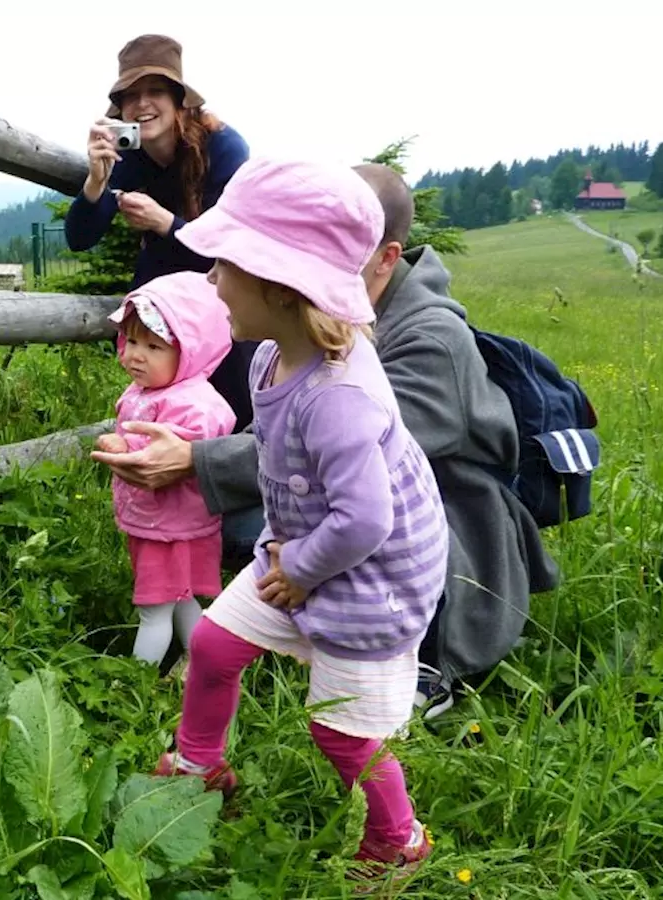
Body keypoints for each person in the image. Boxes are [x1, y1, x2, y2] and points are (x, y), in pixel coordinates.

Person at [90, 163, 561, 717]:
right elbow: (283, 432)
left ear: (386, 256)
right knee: (255, 529)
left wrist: (196, 459)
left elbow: (358, 481)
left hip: (441, 530)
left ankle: (426, 659)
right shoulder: (295, 332)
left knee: (347, 719)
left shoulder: (427, 338)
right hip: (338, 503)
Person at [152, 157, 448, 881]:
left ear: (282, 286)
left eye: (227, 265)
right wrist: (289, 558)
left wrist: (300, 570)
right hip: (300, 552)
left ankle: (396, 840)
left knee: (345, 730)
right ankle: (200, 762)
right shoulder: (270, 359)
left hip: (367, 575)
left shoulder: (340, 395)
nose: (214, 281)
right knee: (217, 647)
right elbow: (284, 466)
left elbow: (366, 520)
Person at [63, 33, 258, 434]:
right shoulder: (126, 154)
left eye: (155, 91)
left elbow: (232, 246)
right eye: (131, 96)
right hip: (164, 312)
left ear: (179, 101)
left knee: (233, 412)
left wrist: (165, 224)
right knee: (165, 416)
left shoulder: (223, 148)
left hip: (222, 301)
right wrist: (96, 183)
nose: (142, 105)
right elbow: (79, 238)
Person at [94, 271, 236, 666]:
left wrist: (128, 445)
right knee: (182, 596)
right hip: (159, 522)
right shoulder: (149, 389)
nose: (136, 354)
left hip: (170, 529)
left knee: (154, 609)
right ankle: (202, 660)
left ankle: (134, 687)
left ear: (191, 351)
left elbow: (189, 443)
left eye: (154, 346)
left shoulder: (196, 401)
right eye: (132, 341)